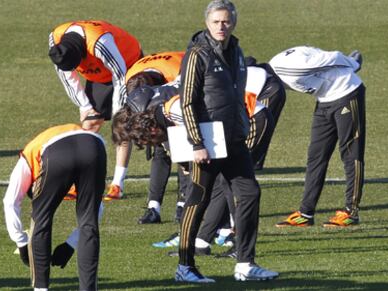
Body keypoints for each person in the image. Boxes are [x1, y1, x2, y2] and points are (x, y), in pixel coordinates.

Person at [177, 0, 278, 282]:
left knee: (249, 194)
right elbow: (187, 101)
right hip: (207, 143)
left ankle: (245, 264)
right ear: (207, 23)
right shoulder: (197, 54)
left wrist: (243, 128)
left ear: (233, 22)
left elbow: (237, 97)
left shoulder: (236, 50)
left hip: (233, 140)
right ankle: (185, 266)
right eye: (216, 22)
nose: (221, 26)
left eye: (226, 21)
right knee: (198, 200)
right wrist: (196, 143)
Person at [3, 124, 107, 290]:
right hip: (95, 145)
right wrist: (71, 244)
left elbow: (10, 201)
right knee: (89, 223)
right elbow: (97, 208)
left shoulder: (27, 160)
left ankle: (41, 288)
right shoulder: (37, 152)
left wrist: (22, 243)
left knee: (41, 217)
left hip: (57, 151)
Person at [271, 46, 366, 227]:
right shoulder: (275, 65)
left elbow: (331, 57)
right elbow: (310, 51)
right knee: (316, 155)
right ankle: (306, 214)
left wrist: (352, 64)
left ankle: (351, 212)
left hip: (347, 92)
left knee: (351, 153)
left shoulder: (291, 69)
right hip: (324, 100)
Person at [48, 20, 142, 200]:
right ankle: (79, 183)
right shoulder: (56, 42)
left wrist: (118, 110)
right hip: (98, 73)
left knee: (121, 126)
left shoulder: (100, 42)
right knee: (89, 125)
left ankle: (117, 185)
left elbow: (120, 74)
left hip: (128, 65)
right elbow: (67, 77)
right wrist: (85, 106)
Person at [124, 51, 188, 224]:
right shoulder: (131, 79)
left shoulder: (173, 81)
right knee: (160, 151)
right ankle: (153, 207)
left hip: (180, 105)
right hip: (159, 104)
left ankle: (183, 204)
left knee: (183, 152)